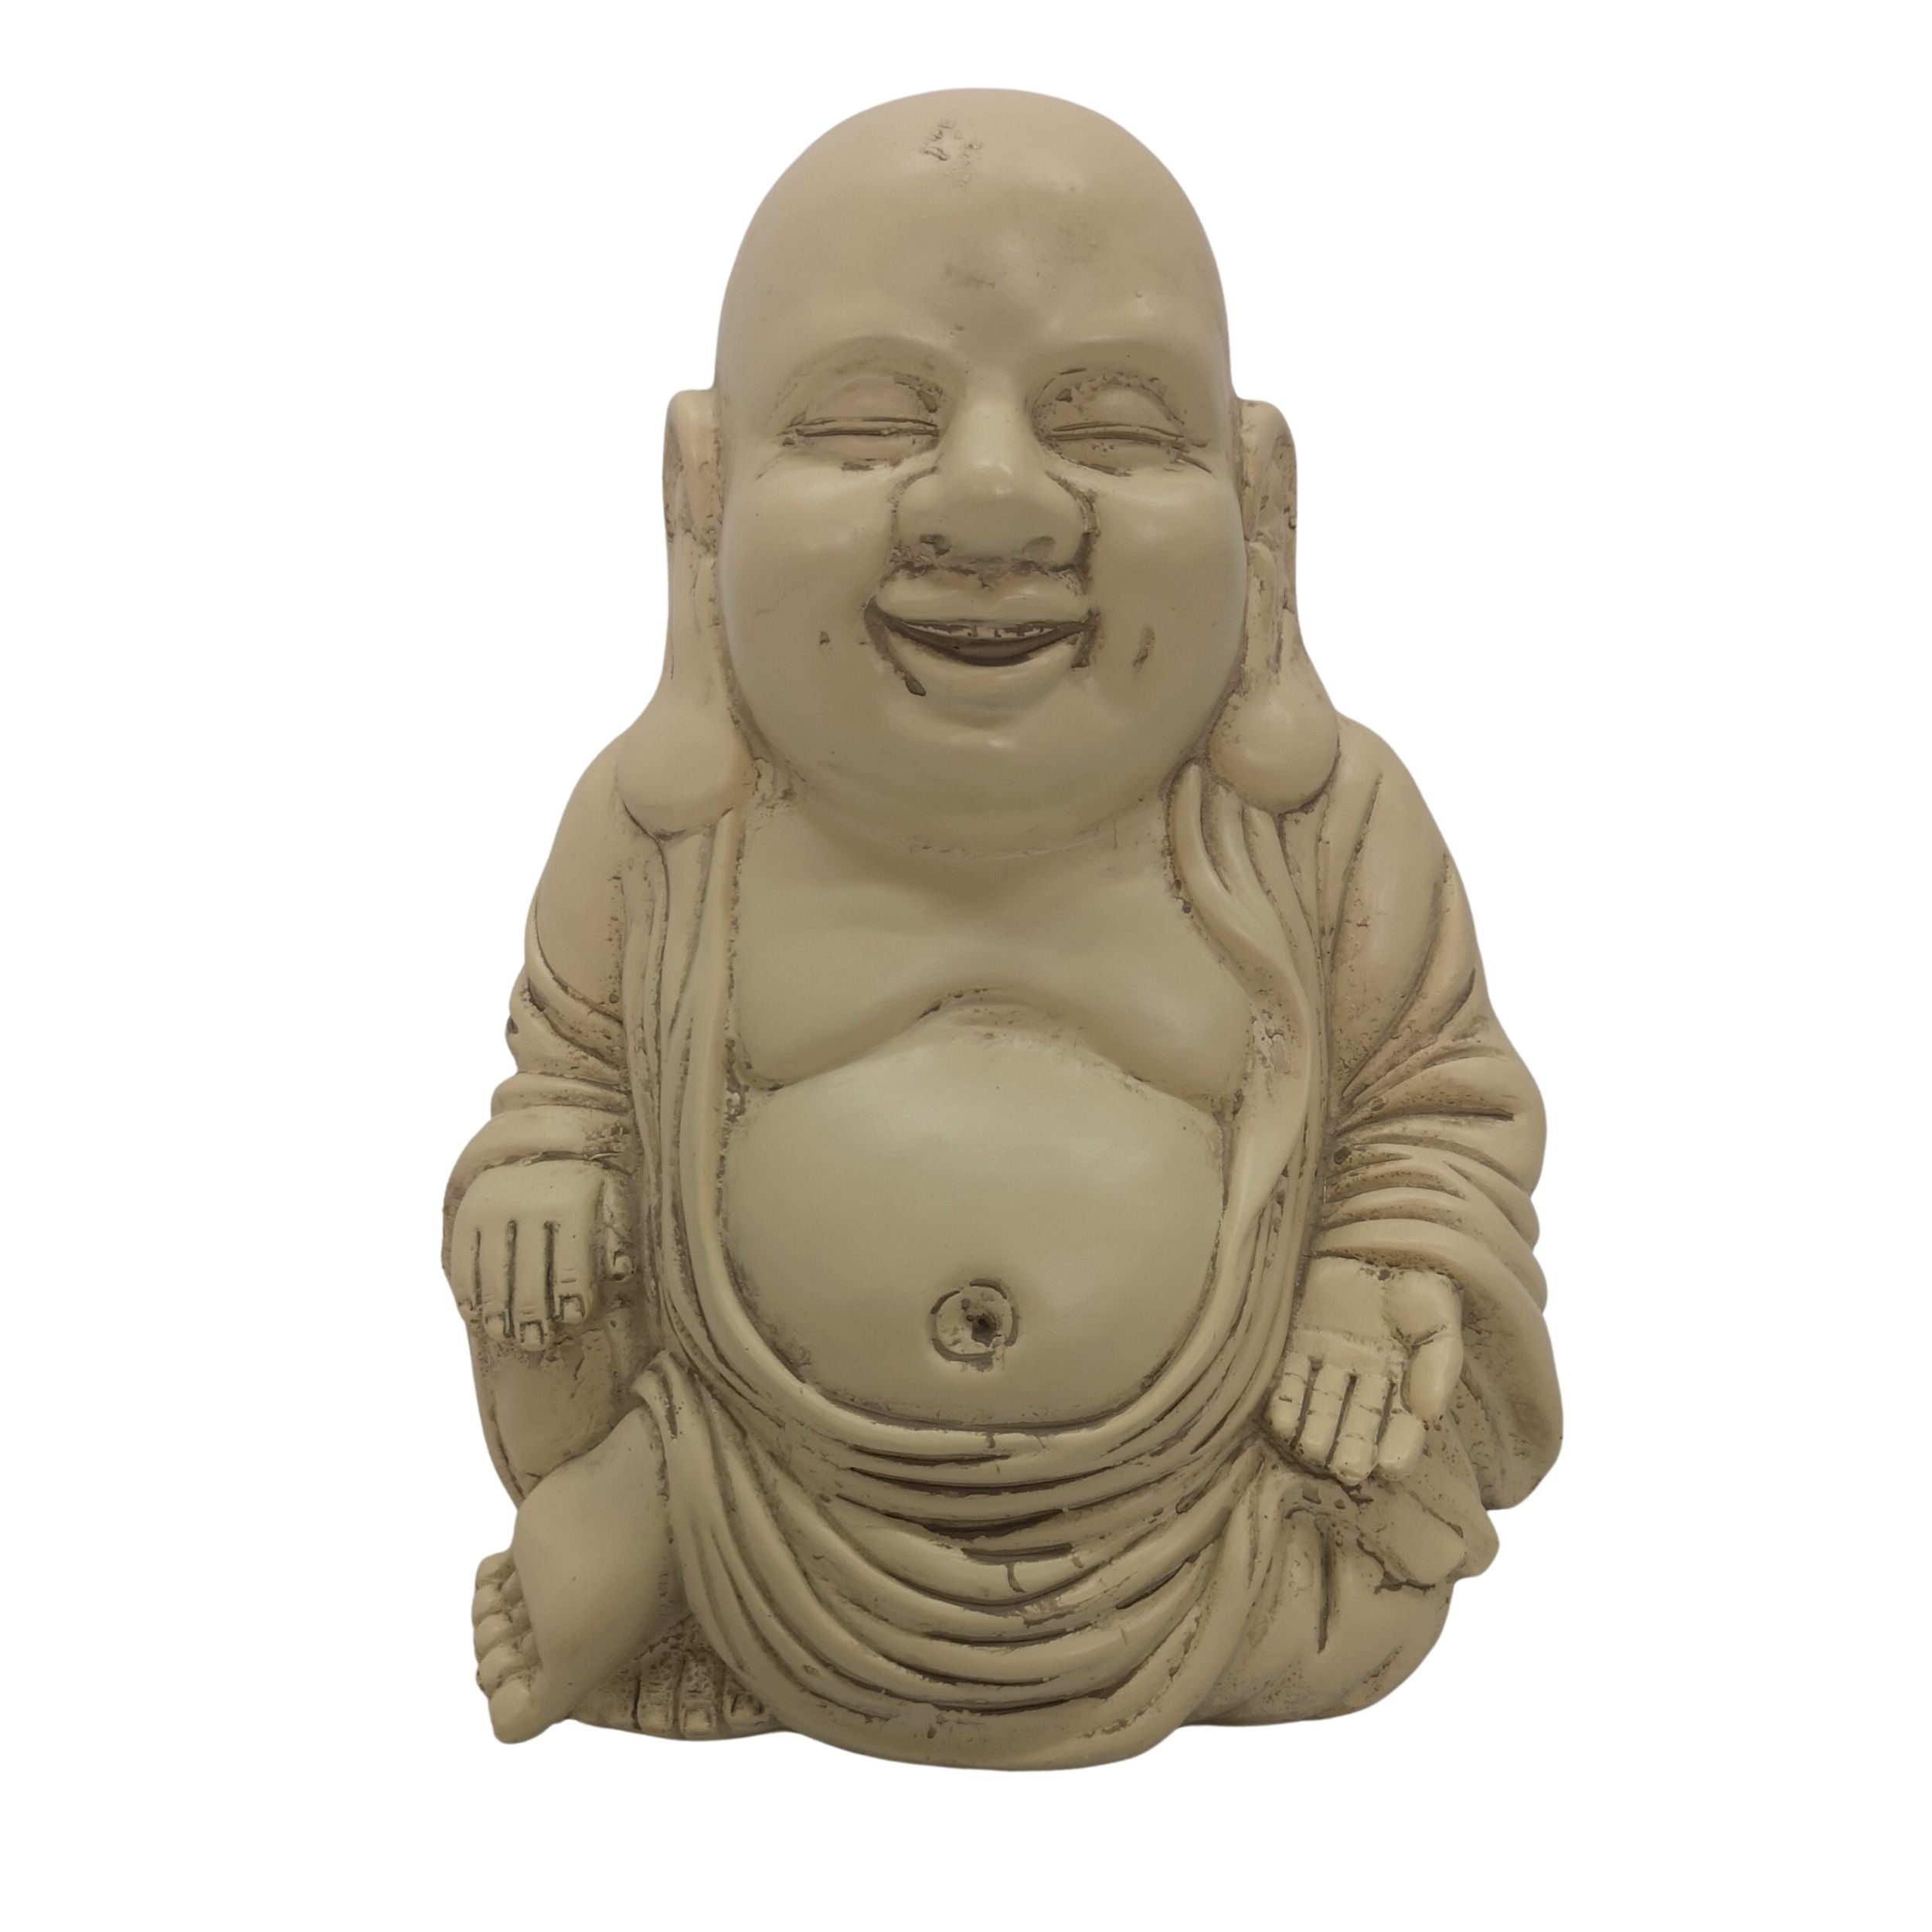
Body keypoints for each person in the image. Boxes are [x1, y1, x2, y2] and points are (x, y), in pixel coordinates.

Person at [445, 90, 1560, 1769]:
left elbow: (1434, 1105)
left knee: (1347, 1592)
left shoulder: (1314, 828)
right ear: (703, 491)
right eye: (862, 421)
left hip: (1218, 1518)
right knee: (555, 1321)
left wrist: (1370, 1280)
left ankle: (658, 1539)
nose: (989, 500)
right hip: (771, 1486)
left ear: (1258, 499)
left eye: (1110, 425)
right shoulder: (667, 836)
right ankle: (680, 1523)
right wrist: (538, 1176)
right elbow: (572, 1079)